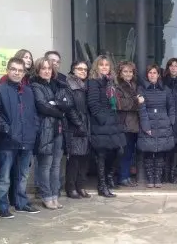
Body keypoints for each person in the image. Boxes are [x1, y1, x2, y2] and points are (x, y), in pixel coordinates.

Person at [0, 57, 41, 218]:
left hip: (26, 140)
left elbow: (33, 114)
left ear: (24, 73)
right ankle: (1, 206)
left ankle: (21, 203)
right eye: (13, 69)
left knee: (22, 176)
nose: (17, 72)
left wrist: (34, 130)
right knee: (4, 176)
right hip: (6, 141)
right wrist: (6, 129)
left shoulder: (28, 91)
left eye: (20, 70)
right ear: (8, 70)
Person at [87, 55, 127, 197]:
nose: (104, 67)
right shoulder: (93, 82)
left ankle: (110, 175)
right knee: (101, 155)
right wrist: (103, 120)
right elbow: (93, 104)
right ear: (96, 67)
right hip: (100, 124)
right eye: (101, 65)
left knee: (120, 150)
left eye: (107, 65)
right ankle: (102, 185)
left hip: (113, 122)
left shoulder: (111, 82)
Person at [31, 57, 66, 210]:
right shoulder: (35, 85)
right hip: (45, 130)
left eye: (49, 68)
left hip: (58, 130)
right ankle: (46, 196)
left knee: (56, 166)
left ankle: (54, 195)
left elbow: (66, 104)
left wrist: (56, 105)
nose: (47, 71)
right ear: (38, 70)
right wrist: (59, 111)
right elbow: (42, 106)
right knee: (45, 166)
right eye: (43, 68)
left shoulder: (57, 85)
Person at [58, 60, 92, 199]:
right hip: (74, 127)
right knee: (74, 159)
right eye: (79, 69)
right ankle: (71, 187)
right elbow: (69, 108)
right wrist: (79, 124)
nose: (83, 71)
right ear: (73, 70)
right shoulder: (68, 86)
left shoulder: (85, 86)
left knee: (84, 158)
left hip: (86, 125)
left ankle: (81, 186)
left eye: (85, 69)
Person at [137, 64, 174, 188]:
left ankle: (158, 177)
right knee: (148, 152)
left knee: (159, 153)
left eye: (155, 73)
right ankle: (150, 178)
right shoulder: (141, 89)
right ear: (147, 75)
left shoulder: (166, 90)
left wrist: (170, 122)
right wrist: (146, 126)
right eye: (150, 73)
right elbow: (141, 109)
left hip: (163, 124)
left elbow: (171, 107)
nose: (152, 75)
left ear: (159, 75)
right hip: (147, 123)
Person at [115, 61, 140, 187]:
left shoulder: (134, 85)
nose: (128, 74)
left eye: (130, 71)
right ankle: (123, 177)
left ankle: (127, 176)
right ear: (120, 73)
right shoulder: (117, 86)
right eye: (125, 71)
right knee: (124, 153)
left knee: (130, 153)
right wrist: (136, 102)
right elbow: (120, 104)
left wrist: (134, 103)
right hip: (124, 124)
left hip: (135, 125)